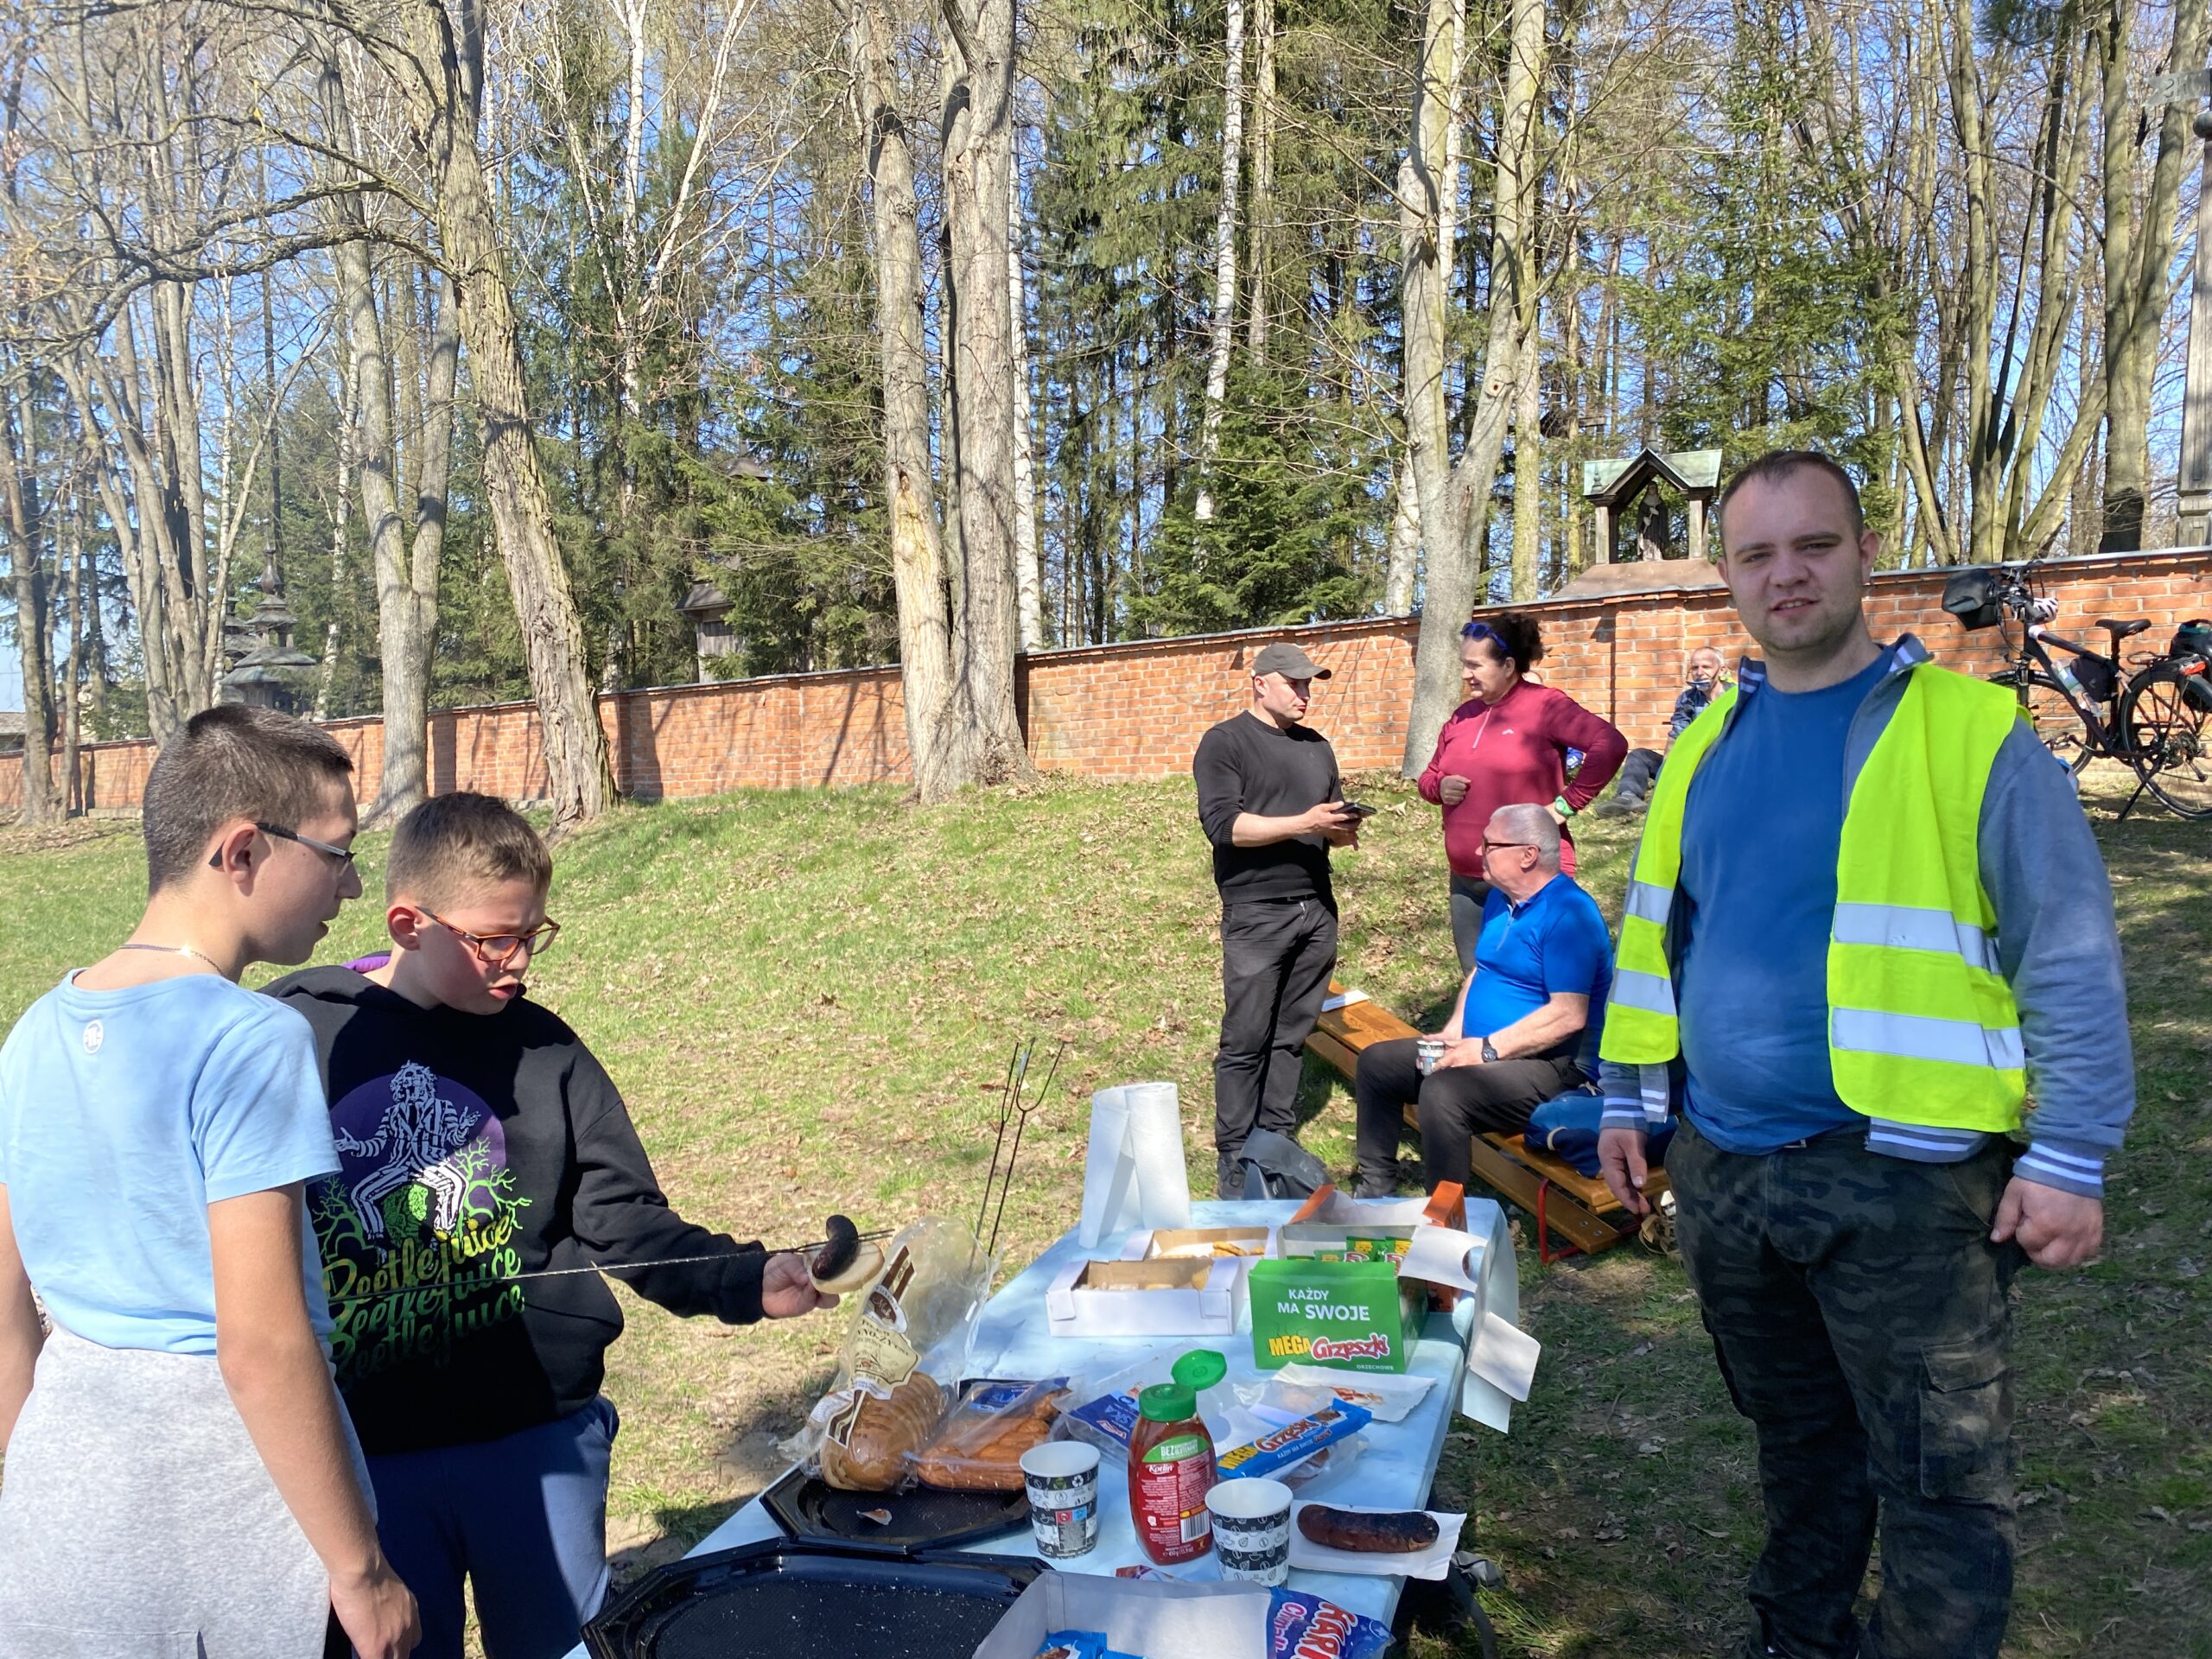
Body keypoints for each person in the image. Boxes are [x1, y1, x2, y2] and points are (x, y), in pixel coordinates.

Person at [1595, 450, 2132, 1659]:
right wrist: (1628, 1100)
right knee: (1798, 1444)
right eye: (1757, 554)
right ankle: (1797, 1640)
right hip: (1726, 1170)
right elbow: (1658, 938)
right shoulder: (1704, 742)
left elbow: (2066, 948)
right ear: (1728, 576)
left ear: (1865, 556)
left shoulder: (1970, 733)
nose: (1785, 575)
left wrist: (2071, 1154)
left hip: (1904, 1182)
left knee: (1941, 1478)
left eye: (1814, 546)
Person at [264, 793, 833, 1659]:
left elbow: (624, 1220)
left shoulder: (547, 1050)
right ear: (409, 923)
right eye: (496, 939)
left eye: (534, 933)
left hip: (534, 1438)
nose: (520, 960)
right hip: (367, 1459)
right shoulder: (295, 1037)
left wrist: (745, 1279)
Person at [0, 706, 420, 1659]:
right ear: (242, 851)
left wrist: (42, 1480)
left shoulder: (33, 1031)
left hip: (59, 1509)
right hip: (227, 1515)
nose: (352, 886)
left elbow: (2, 1302)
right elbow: (261, 1343)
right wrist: (362, 1572)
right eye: (337, 852)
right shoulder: (250, 1039)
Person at [1351, 804, 1611, 1198]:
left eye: (1489, 845)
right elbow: (1482, 971)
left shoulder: (1569, 914)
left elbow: (1568, 1016)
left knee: (1444, 1092)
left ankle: (1446, 1216)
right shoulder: (1500, 900)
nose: (1478, 852)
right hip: (1484, 1050)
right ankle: (1375, 1192)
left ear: (1528, 855)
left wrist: (1487, 1049)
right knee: (1377, 1063)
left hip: (1553, 1067)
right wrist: (1454, 1031)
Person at [1194, 640, 1359, 1197]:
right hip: (1257, 911)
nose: (1305, 694)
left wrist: (1340, 829)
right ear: (1260, 683)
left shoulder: (1318, 747)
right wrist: (1304, 822)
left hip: (1317, 907)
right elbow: (1226, 828)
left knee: (1291, 1037)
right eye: (1295, 684)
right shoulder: (1225, 743)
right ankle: (1234, 1154)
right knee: (1246, 1037)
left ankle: (1275, 1142)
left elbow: (1328, 825)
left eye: (1310, 684)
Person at [1418, 613, 1625, 971]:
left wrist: (1565, 806)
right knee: (1477, 981)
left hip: (1528, 877)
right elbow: (1428, 776)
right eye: (1463, 664)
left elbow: (1610, 745)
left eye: (1475, 665)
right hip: (1467, 881)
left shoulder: (1545, 706)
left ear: (1508, 665)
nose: (1465, 674)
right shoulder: (1462, 716)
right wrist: (1440, 787)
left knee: (1531, 983)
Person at [1590, 645, 1731, 818]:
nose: (1699, 673)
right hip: (1689, 766)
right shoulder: (1688, 698)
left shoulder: (1736, 696)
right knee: (1639, 756)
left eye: (1706, 667)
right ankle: (1628, 798)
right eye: (1695, 667)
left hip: (1724, 767)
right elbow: (1676, 735)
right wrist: (1666, 775)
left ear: (1722, 670)